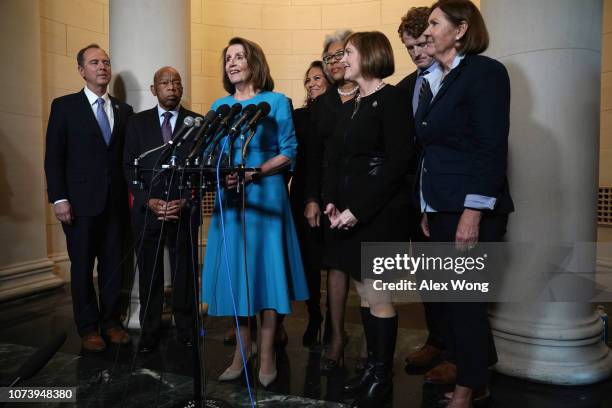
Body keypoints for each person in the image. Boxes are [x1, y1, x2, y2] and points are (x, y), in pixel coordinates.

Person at [417, 1, 514, 406]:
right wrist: (427, 205)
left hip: (471, 210)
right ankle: (479, 374)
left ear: (460, 29)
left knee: (465, 304)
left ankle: (465, 391)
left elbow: (491, 147)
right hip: (440, 208)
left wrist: (472, 212)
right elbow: (432, 150)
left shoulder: (486, 73)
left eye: (434, 23)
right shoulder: (435, 77)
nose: (426, 31)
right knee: (455, 302)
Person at [201, 37, 308, 388]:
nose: (232, 63)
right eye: (228, 57)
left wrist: (256, 172)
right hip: (231, 200)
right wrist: (224, 173)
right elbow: (211, 152)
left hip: (266, 196)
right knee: (239, 277)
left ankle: (268, 353)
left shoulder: (276, 102)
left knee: (266, 275)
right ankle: (241, 350)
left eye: (239, 57)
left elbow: (289, 151)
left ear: (254, 63)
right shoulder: (220, 105)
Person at [324, 31, 415, 407]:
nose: (342, 59)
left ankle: (382, 374)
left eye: (348, 52)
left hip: (379, 215)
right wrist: (331, 202)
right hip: (349, 214)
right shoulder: (352, 105)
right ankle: (371, 366)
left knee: (378, 294)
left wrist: (357, 210)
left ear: (371, 55)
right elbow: (338, 159)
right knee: (364, 294)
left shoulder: (392, 99)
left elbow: (397, 164)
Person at [44, 44, 133, 352]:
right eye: (94, 62)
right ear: (82, 70)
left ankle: (110, 323)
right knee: (82, 266)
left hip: (116, 204)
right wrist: (59, 198)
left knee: (113, 266)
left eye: (106, 62)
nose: (102, 67)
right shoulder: (64, 106)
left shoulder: (124, 110)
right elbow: (53, 157)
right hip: (79, 204)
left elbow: (125, 159)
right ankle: (87, 328)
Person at [123, 66, 201, 353]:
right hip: (148, 212)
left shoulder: (197, 123)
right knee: (150, 275)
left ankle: (186, 328)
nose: (172, 87)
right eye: (165, 82)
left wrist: (185, 200)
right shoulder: (137, 123)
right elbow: (129, 167)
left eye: (177, 82)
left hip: (182, 211)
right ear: (154, 89)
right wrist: (147, 200)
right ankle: (150, 332)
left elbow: (200, 172)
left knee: (184, 275)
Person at [396, 6, 454, 384]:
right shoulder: (405, 88)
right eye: (409, 47)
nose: (417, 53)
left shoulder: (456, 79)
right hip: (416, 199)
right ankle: (437, 340)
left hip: (451, 196)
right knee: (428, 276)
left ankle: (459, 354)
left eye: (421, 44)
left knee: (455, 280)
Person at [305, 29, 358, 372]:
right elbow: (312, 155)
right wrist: (311, 198)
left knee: (373, 276)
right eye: (329, 58)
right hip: (331, 201)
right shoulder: (322, 104)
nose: (335, 62)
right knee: (336, 269)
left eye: (341, 55)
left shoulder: (374, 95)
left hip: (370, 199)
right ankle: (337, 339)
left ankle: (377, 350)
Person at [290, 60, 331, 347]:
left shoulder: (341, 112)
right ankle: (314, 315)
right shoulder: (298, 116)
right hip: (302, 192)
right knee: (309, 260)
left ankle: (334, 321)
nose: (312, 83)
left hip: (332, 194)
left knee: (335, 261)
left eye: (317, 78)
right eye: (308, 79)